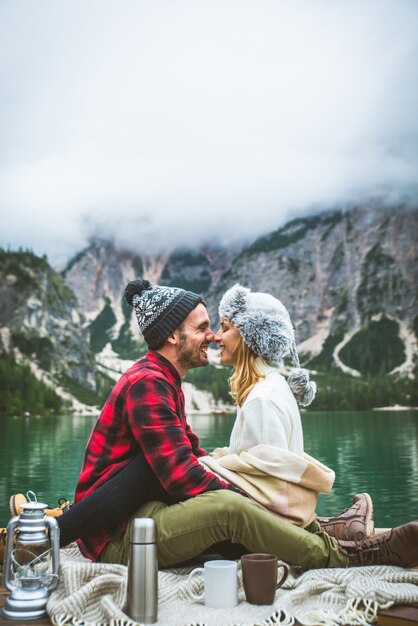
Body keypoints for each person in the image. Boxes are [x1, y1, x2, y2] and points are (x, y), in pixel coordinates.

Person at [199, 284, 373, 540]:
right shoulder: (269, 386)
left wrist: (210, 466)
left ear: (250, 336)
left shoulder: (262, 399)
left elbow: (268, 486)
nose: (216, 336)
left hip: (267, 531)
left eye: (225, 328)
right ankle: (342, 526)